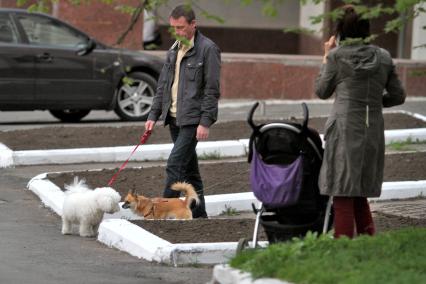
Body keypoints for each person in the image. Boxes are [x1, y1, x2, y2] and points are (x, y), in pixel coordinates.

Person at [315, 5, 405, 238]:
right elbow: (398, 95)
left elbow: (322, 91)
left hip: (344, 129)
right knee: (358, 190)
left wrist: (325, 56)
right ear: (367, 29)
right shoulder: (383, 57)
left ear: (341, 30)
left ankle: (343, 249)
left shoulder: (336, 57)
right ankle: (368, 243)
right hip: (372, 128)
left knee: (343, 191)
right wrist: (374, 103)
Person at [145, 5, 221, 218]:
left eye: (181, 27)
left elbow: (212, 89)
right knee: (190, 172)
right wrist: (153, 115)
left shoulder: (208, 49)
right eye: (173, 28)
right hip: (174, 118)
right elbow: (163, 85)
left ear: (193, 25)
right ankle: (200, 215)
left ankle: (158, 212)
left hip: (192, 120)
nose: (177, 32)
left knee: (175, 165)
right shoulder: (174, 48)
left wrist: (205, 121)